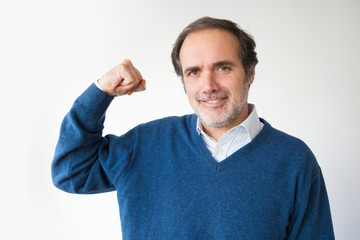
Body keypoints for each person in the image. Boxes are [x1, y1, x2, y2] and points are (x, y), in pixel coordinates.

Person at [52, 17, 335, 239]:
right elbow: (70, 171)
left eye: (223, 68)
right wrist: (100, 92)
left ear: (249, 74)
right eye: (194, 72)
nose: (208, 85)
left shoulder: (295, 160)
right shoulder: (145, 145)